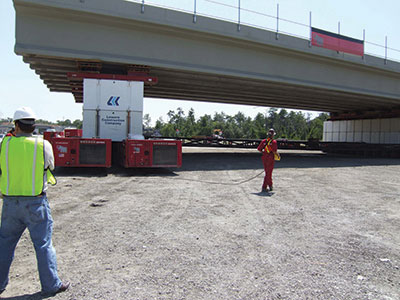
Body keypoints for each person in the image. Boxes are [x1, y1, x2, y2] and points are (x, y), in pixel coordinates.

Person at [0, 107, 69, 296]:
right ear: (33, 126)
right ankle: (51, 285)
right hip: (36, 203)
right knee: (43, 244)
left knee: (4, 244)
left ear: (16, 125)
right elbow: (51, 166)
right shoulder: (43, 144)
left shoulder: (4, 144)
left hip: (10, 203)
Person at [257, 128, 279, 193]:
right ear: (272, 135)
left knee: (267, 172)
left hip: (264, 158)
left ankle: (270, 185)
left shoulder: (263, 141)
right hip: (270, 158)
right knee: (268, 173)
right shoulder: (274, 142)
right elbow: (275, 151)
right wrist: (278, 155)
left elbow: (259, 149)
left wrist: (264, 152)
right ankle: (265, 186)